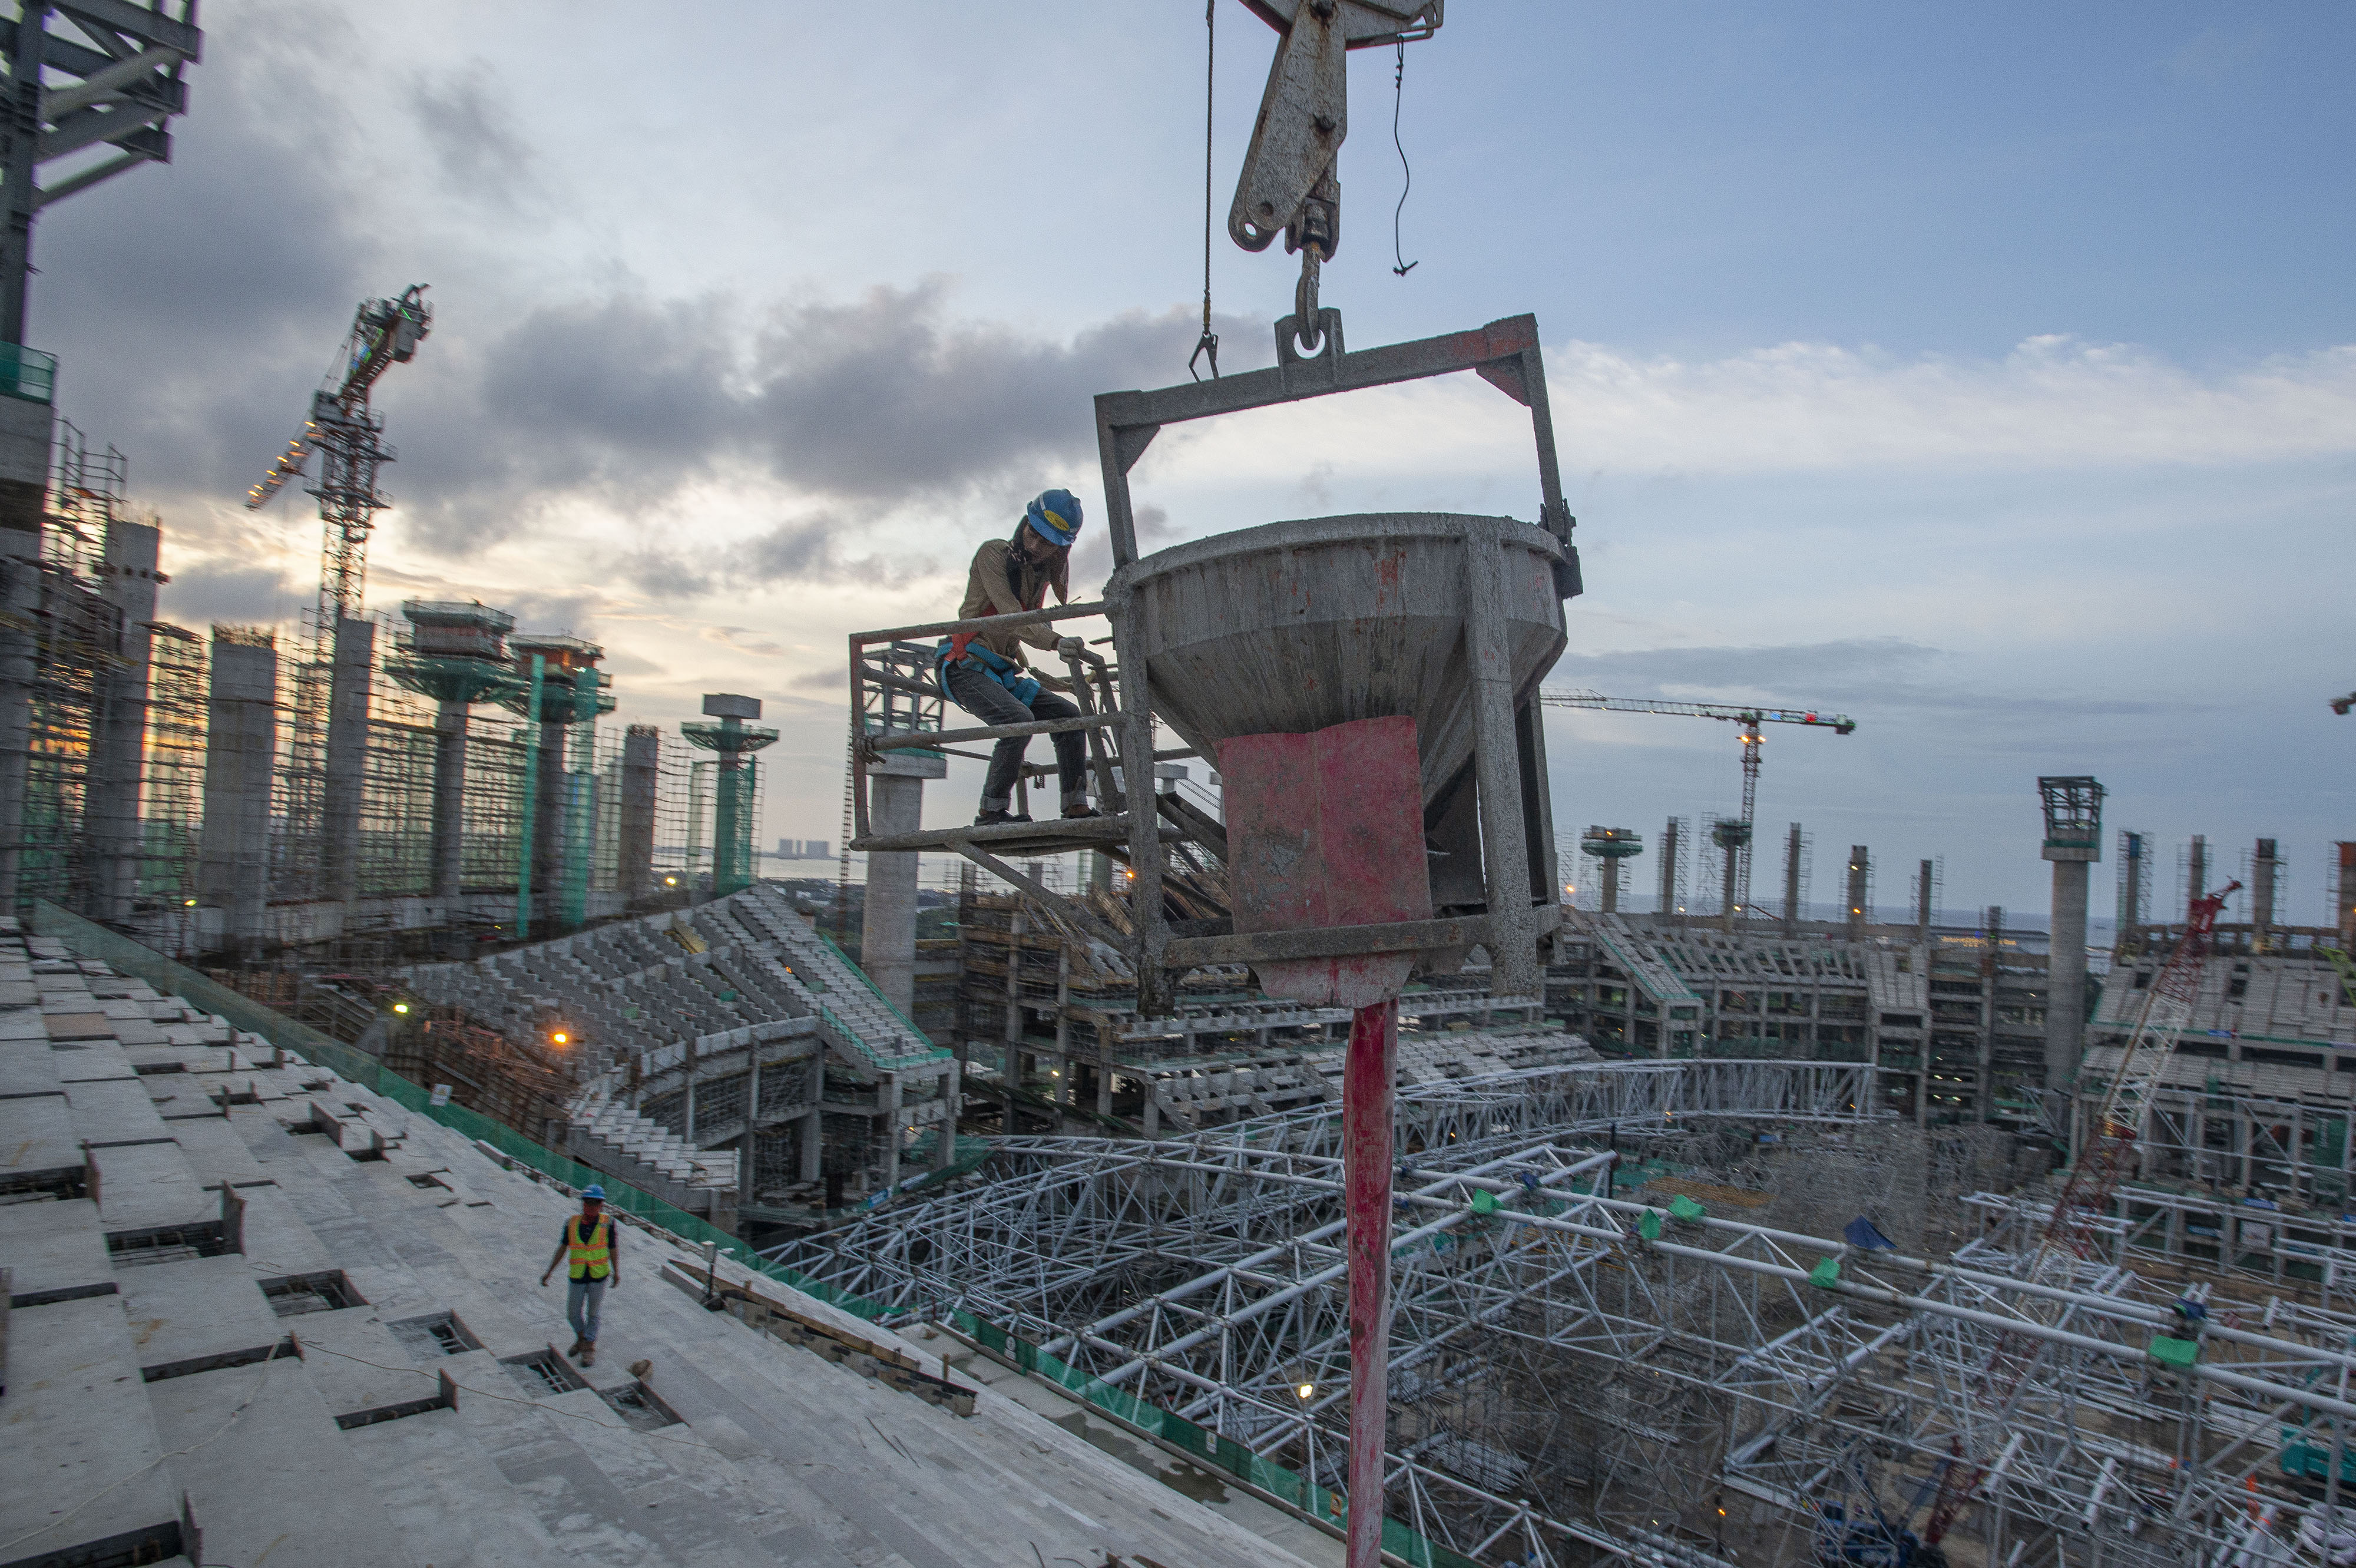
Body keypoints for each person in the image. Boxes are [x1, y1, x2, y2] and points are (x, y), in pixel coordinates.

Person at [939, 488, 1098, 826]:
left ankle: (1075, 804)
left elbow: (1032, 626)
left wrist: (1064, 665)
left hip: (1002, 671)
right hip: (965, 665)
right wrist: (1056, 641)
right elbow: (1013, 617)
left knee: (1070, 717)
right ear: (1024, 523)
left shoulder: (1038, 576)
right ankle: (991, 810)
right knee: (1018, 721)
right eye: (1033, 534)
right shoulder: (993, 555)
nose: (1036, 546)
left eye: (1048, 543)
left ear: (1061, 549)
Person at [540, 1183, 618, 1365]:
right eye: (588, 1203)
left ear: (601, 1206)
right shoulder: (572, 1223)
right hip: (578, 1274)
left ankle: (589, 1346)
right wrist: (549, 1272)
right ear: (583, 1204)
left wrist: (617, 1272)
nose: (591, 1207)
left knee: (593, 1313)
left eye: (595, 1203)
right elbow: (562, 1247)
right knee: (573, 1313)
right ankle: (582, 1339)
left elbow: (613, 1249)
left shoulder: (608, 1223)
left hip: (598, 1275)